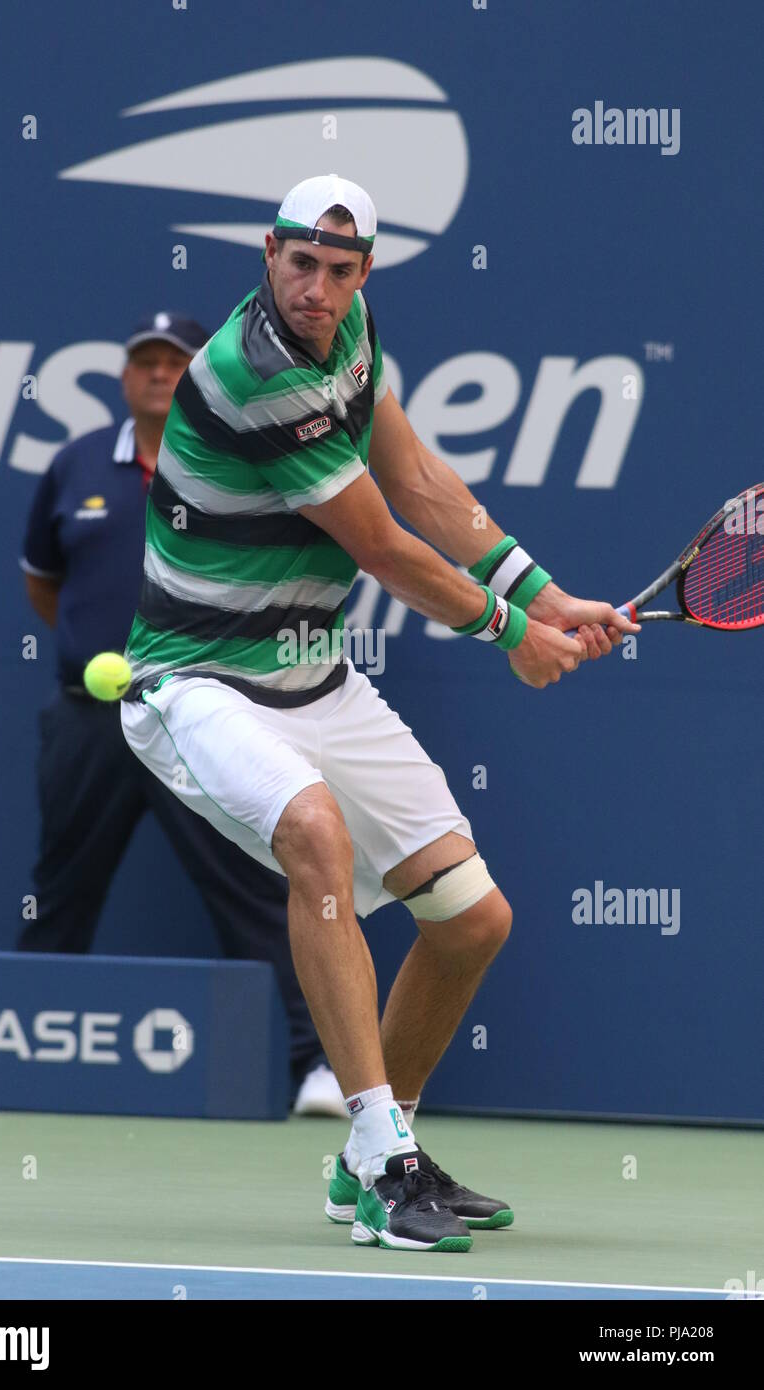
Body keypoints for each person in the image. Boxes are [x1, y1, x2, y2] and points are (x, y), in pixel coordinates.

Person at [120, 176, 639, 1252]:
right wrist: (509, 636)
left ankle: (372, 1161)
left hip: (312, 675)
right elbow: (381, 546)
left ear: (365, 274)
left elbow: (418, 483)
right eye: (299, 264)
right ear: (268, 253)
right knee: (314, 834)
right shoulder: (249, 372)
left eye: (339, 270)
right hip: (195, 682)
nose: (316, 289)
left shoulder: (351, 332)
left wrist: (542, 591)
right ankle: (384, 1155)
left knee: (469, 920)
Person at [18, 310, 346, 1116]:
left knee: (255, 891)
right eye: (145, 361)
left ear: (201, 374)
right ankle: (20, 1051)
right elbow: (44, 584)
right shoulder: (75, 465)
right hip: (91, 720)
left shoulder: (238, 458)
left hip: (203, 713)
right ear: (126, 377)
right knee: (60, 892)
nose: (159, 373)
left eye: (176, 361)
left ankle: (318, 1069)